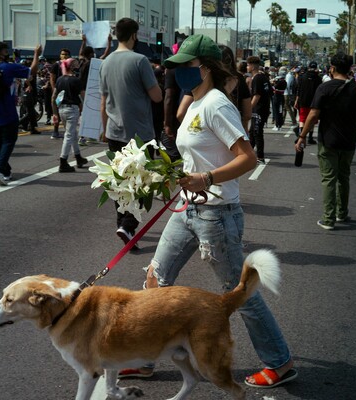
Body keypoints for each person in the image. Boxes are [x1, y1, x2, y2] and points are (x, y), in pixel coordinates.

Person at [122, 34, 297, 389]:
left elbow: (247, 158)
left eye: (186, 66)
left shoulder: (217, 104)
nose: (179, 73)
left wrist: (207, 177)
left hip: (217, 214)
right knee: (156, 280)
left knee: (239, 294)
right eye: (177, 67)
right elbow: (193, 153)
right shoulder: (196, 103)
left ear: (205, 67)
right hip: (187, 209)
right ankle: (144, 359)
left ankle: (279, 362)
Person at [99, 17, 162, 248]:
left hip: (114, 132)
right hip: (140, 135)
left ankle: (123, 226)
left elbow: (103, 101)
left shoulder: (105, 63)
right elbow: (157, 96)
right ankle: (127, 225)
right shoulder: (140, 61)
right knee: (145, 183)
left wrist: (103, 128)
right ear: (134, 35)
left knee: (120, 182)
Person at [295, 52, 356, 230]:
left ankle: (328, 219)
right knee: (344, 178)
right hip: (349, 140)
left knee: (329, 179)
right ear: (350, 68)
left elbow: (313, 115)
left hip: (328, 140)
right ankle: (341, 213)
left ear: (332, 68)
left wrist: (302, 136)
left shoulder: (325, 88)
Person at [0, 41, 42, 186]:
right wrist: (36, 54)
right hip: (8, 110)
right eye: (6, 51)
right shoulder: (8, 68)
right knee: (9, 140)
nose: (8, 53)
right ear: (0, 53)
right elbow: (32, 71)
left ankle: (5, 171)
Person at [51, 57, 88, 172]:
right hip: (72, 109)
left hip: (61, 109)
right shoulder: (76, 81)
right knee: (69, 135)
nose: (78, 67)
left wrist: (55, 113)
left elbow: (54, 97)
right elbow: (83, 96)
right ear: (72, 67)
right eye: (76, 65)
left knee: (73, 134)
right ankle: (63, 161)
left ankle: (78, 157)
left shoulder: (59, 80)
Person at [246, 55, 271, 163]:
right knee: (252, 132)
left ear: (252, 66)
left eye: (248, 65)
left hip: (259, 110)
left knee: (257, 132)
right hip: (264, 108)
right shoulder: (264, 77)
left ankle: (260, 157)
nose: (247, 67)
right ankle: (249, 155)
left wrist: (249, 109)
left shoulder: (256, 78)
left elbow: (257, 96)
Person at [295, 61, 322, 144]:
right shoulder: (318, 78)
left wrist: (296, 101)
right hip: (314, 102)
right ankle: (310, 137)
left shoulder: (302, 77)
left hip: (303, 101)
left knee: (302, 119)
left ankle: (301, 135)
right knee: (312, 120)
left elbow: (298, 90)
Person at [49, 48, 71, 139]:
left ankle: (68, 131)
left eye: (66, 54)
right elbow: (52, 78)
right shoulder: (56, 65)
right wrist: (55, 90)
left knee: (68, 112)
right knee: (56, 112)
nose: (64, 56)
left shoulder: (70, 65)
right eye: (62, 54)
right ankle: (55, 131)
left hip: (68, 92)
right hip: (58, 92)